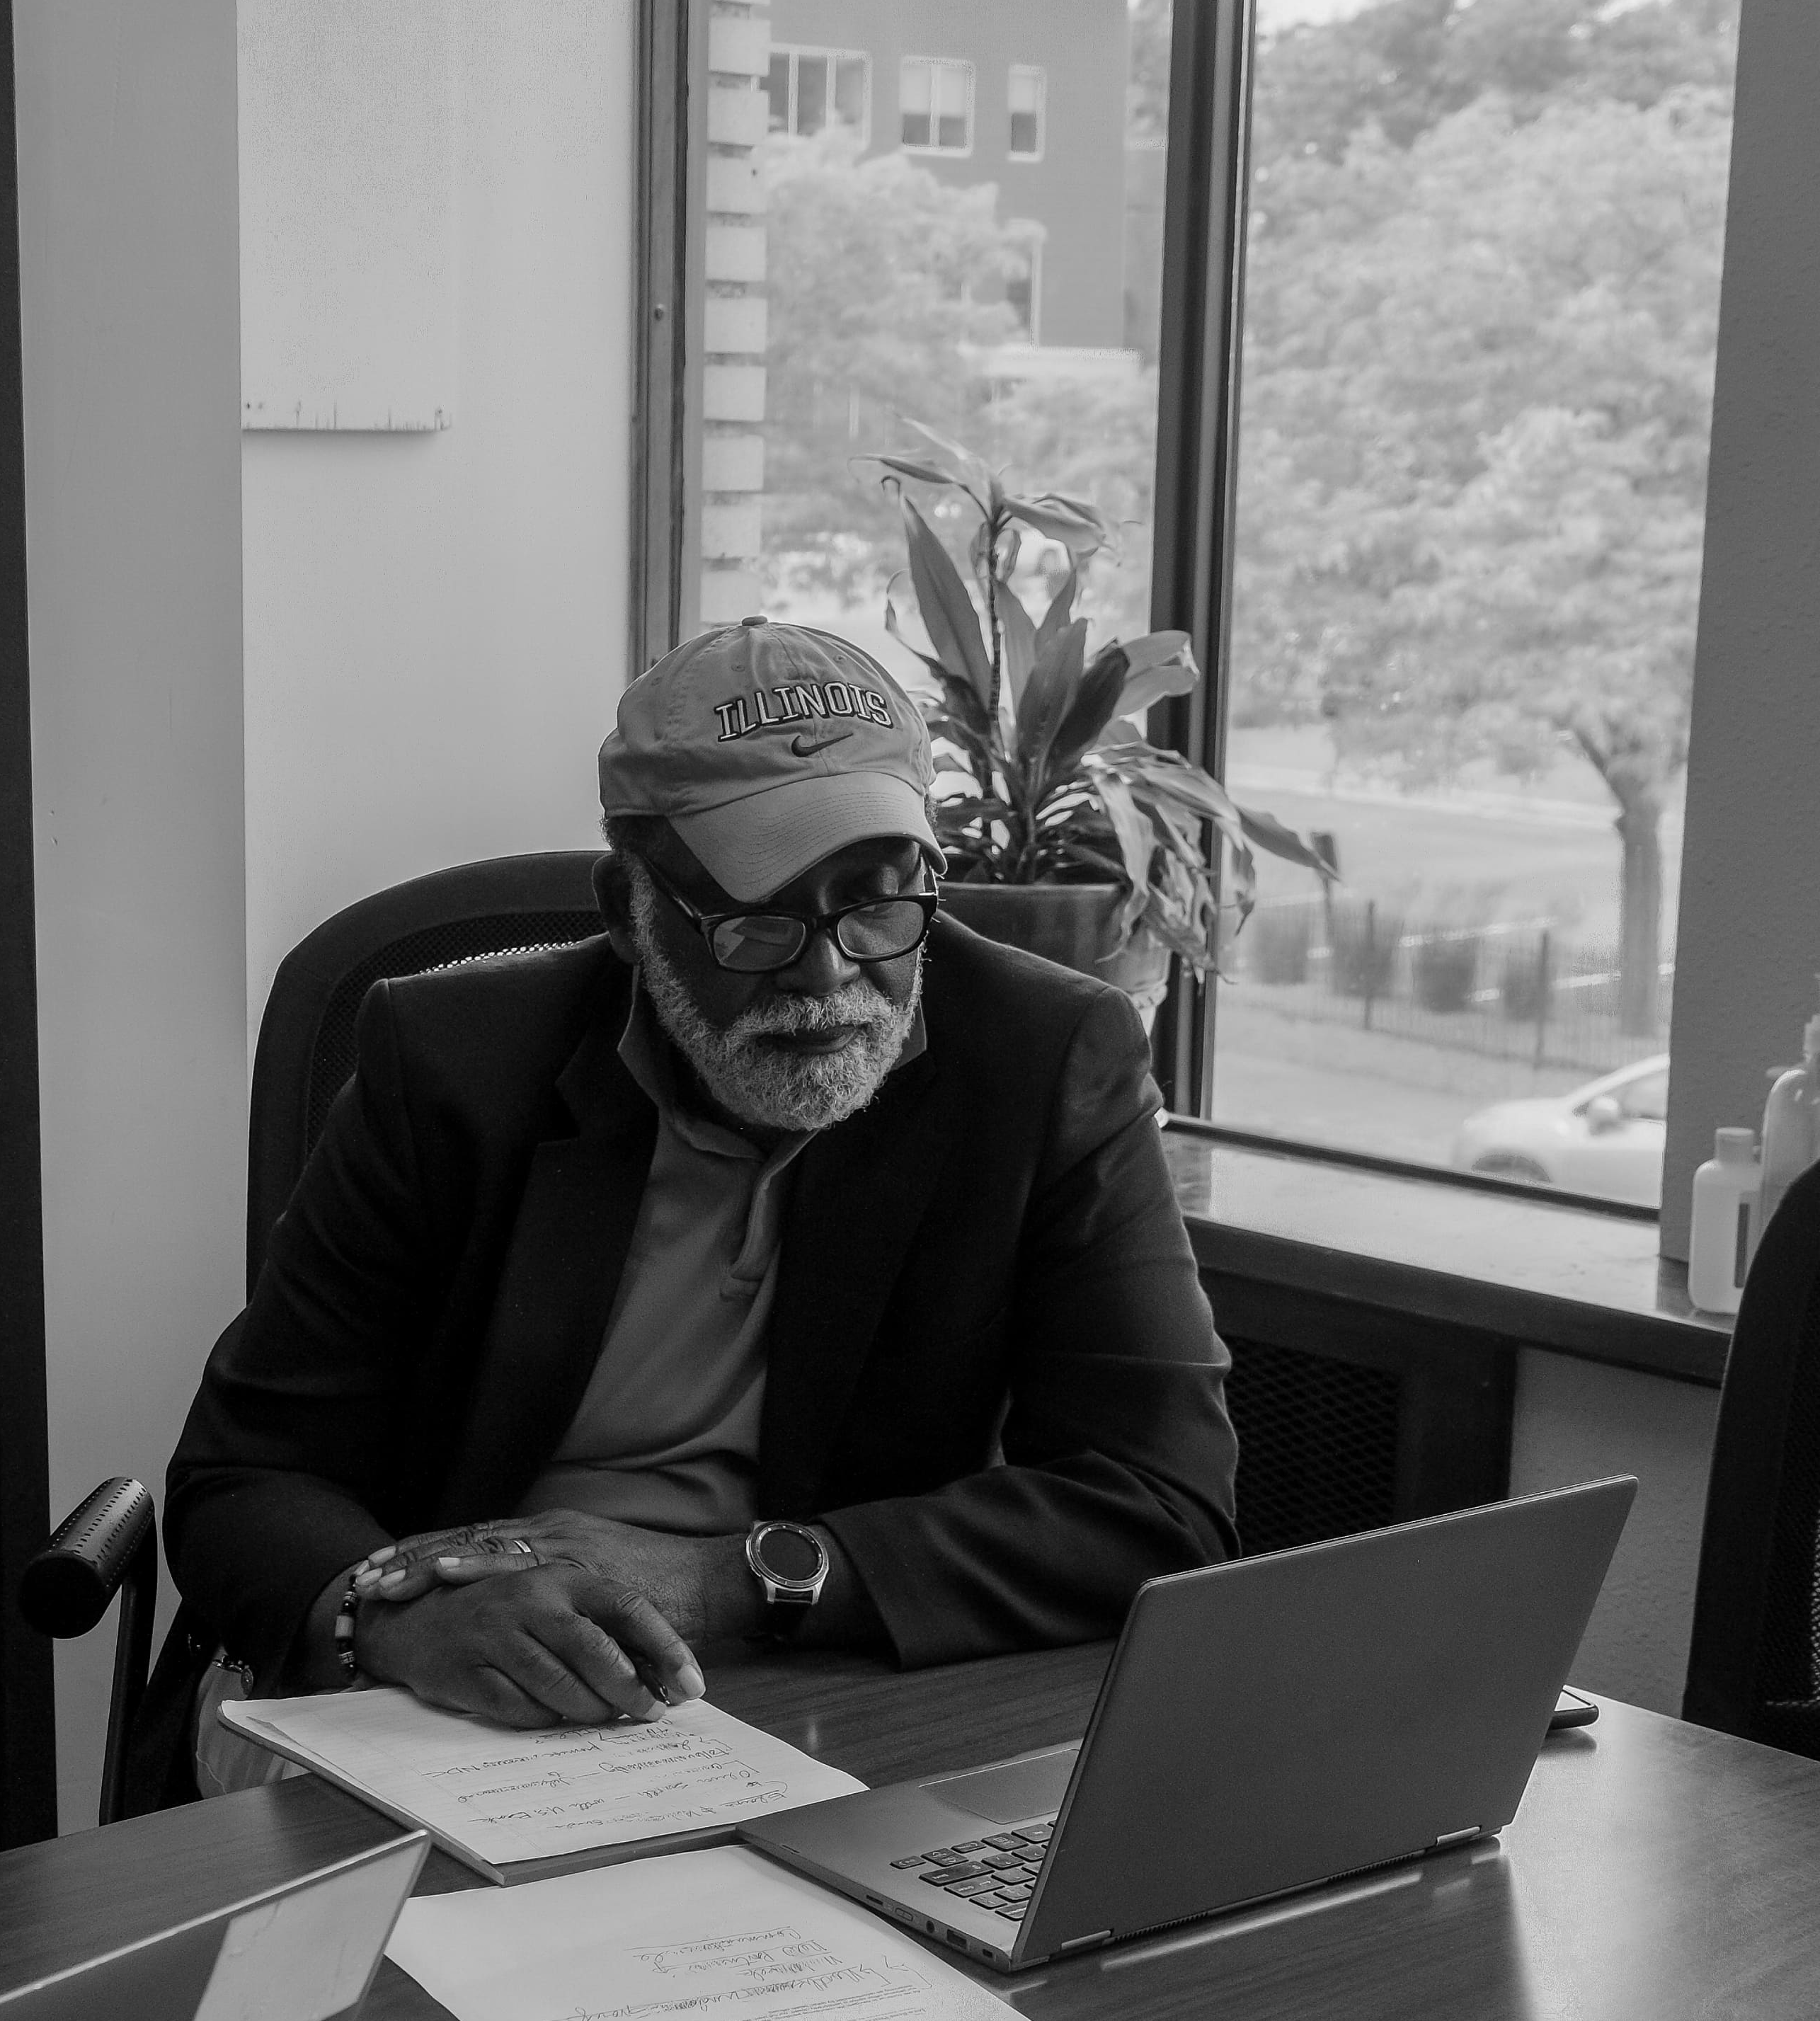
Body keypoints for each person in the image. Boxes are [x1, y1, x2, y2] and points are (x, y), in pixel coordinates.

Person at [154, 619, 1237, 1787]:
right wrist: (389, 1620)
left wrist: (732, 1576)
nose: (828, 975)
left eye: (877, 902)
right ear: (630, 911)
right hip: (449, 1701)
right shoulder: (449, 1062)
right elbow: (242, 1479)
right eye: (759, 919)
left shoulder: (1045, 1056)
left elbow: (1161, 1503)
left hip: (815, 1705)